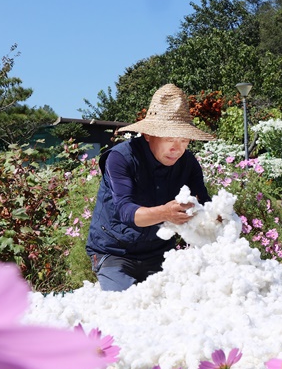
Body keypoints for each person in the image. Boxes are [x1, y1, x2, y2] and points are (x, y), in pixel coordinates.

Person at [86, 84, 214, 291]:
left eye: (183, 140)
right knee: (125, 305)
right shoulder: (120, 158)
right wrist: (166, 213)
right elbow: (126, 212)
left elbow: (204, 202)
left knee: (182, 301)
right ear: (148, 134)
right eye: (169, 139)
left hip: (159, 252)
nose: (177, 148)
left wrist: (215, 217)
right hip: (114, 252)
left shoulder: (188, 162)